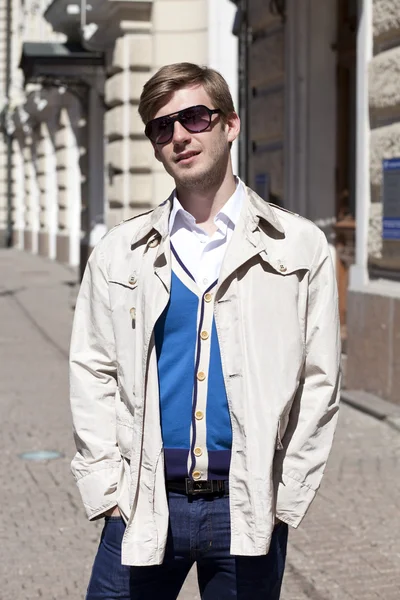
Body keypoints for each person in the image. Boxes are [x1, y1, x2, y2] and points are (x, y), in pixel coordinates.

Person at [69, 62, 341, 600]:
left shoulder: (298, 246)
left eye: (194, 117)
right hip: (144, 499)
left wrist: (285, 494)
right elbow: (92, 368)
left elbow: (320, 380)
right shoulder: (121, 252)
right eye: (162, 127)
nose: (180, 136)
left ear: (230, 124)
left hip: (244, 504)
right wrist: (106, 490)